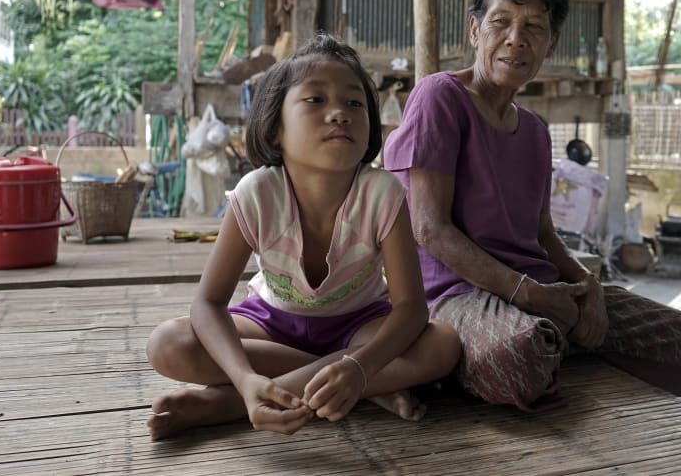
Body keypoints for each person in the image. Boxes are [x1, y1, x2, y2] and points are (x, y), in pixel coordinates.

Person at [383, 0, 681, 411]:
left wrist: (587, 284)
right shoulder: (441, 97)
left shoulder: (536, 132)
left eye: (533, 28)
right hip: (456, 296)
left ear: (551, 44)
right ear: (475, 30)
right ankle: (510, 348)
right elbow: (429, 230)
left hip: (536, 295)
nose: (516, 40)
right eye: (501, 22)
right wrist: (533, 295)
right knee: (521, 354)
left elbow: (541, 234)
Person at [146, 33, 461, 439]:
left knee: (443, 345)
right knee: (168, 344)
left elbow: (411, 309)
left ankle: (227, 405)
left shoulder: (383, 194)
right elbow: (208, 303)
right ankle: (358, 387)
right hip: (270, 323)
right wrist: (244, 377)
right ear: (275, 128)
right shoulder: (256, 194)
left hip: (360, 325)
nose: (339, 114)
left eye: (353, 103)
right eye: (315, 100)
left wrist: (360, 365)